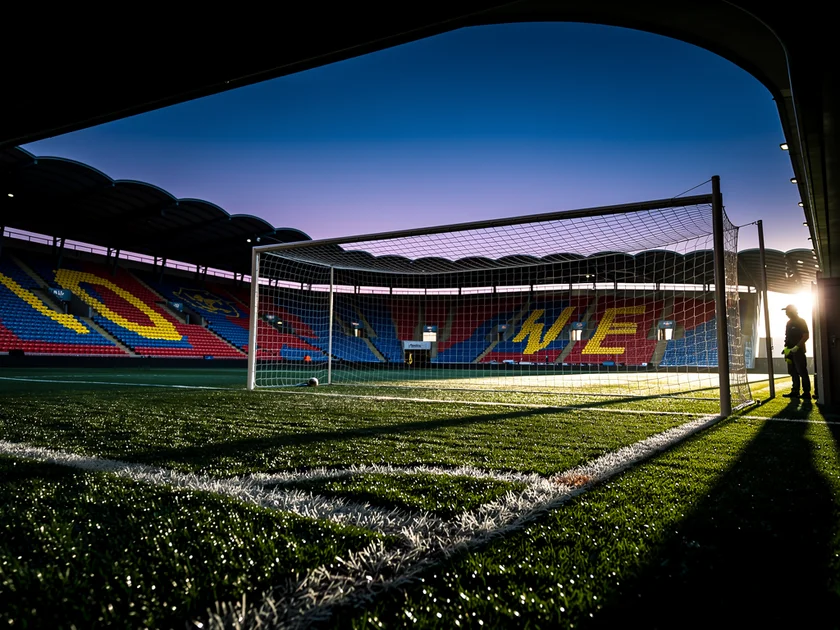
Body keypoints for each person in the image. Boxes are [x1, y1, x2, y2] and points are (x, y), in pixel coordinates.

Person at [781, 304, 811, 399]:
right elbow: (787, 337)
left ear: (792, 311)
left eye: (787, 311)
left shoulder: (801, 321)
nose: (786, 313)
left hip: (799, 351)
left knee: (802, 371)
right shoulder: (788, 323)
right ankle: (795, 391)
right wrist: (786, 349)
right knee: (792, 371)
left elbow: (806, 336)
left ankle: (806, 393)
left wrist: (797, 347)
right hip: (789, 351)